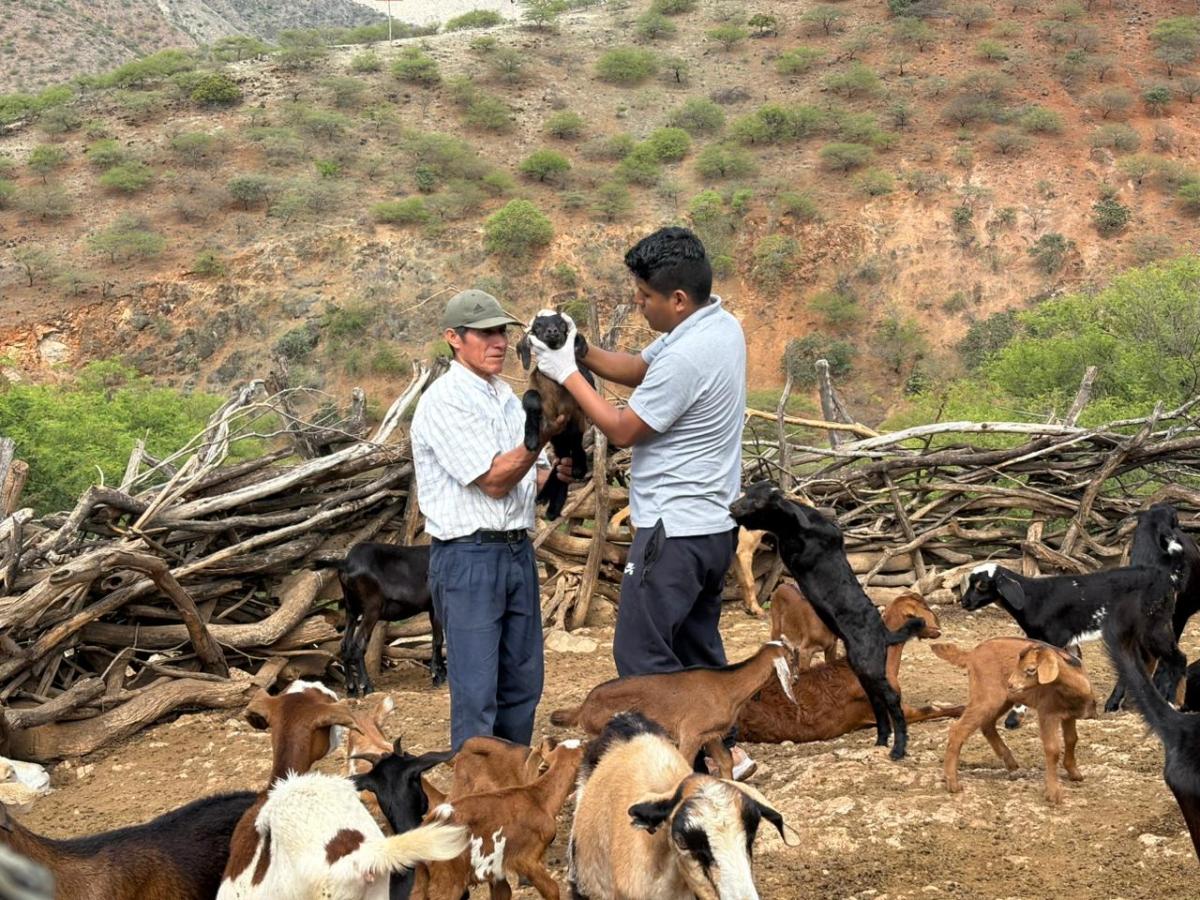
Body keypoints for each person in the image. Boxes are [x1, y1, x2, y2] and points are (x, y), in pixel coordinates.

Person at [527, 226, 754, 778]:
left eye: (645, 297)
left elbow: (625, 428)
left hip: (671, 529)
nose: (638, 303)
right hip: (711, 525)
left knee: (641, 657)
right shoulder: (717, 326)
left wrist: (565, 374)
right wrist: (581, 352)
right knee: (697, 650)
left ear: (677, 299)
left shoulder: (691, 352)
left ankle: (677, 767)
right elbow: (641, 368)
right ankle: (728, 755)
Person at [410, 289, 571, 751]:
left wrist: (553, 474)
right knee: (478, 692)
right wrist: (539, 443)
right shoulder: (444, 401)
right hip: (468, 558)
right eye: (485, 333)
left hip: (515, 551)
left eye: (502, 331)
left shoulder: (507, 397)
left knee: (522, 684)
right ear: (454, 338)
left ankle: (512, 788)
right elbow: (495, 480)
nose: (499, 341)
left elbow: (527, 480)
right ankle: (479, 801)